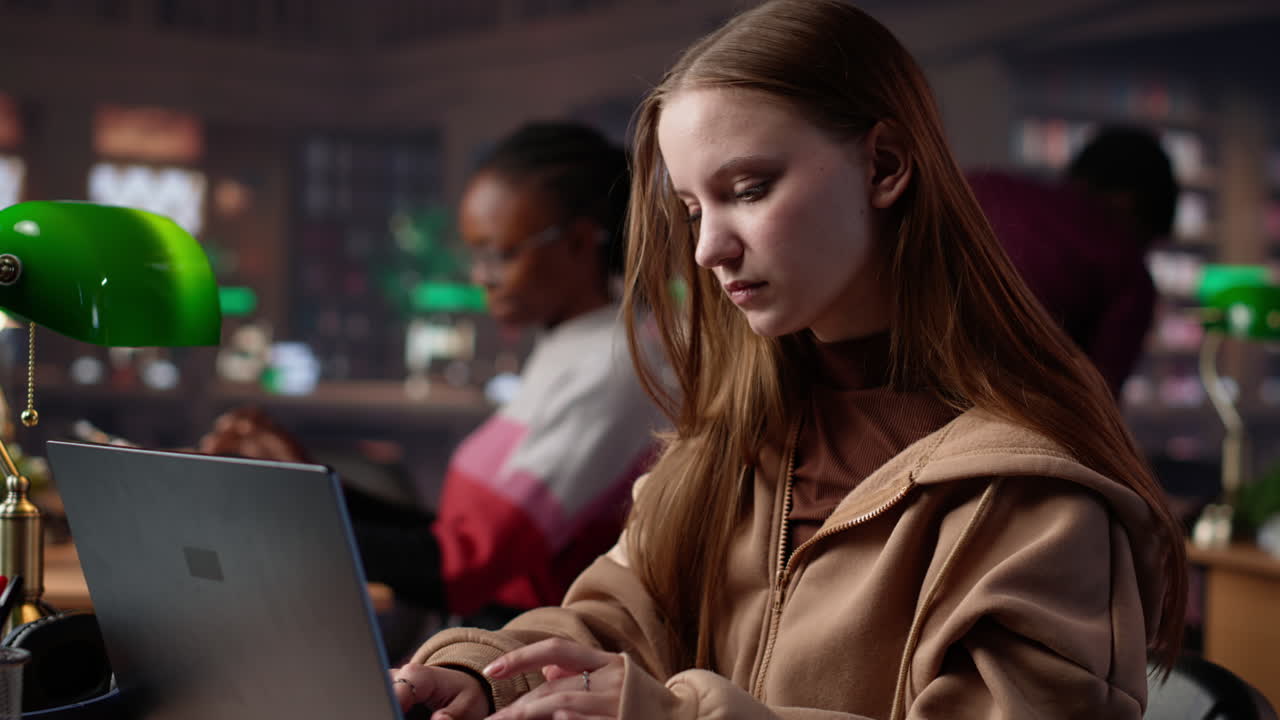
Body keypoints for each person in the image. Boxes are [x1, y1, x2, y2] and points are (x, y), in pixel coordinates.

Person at [388, 2, 1189, 719]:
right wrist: (486, 674)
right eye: (694, 207)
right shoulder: (729, 446)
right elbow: (612, 619)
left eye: (748, 188)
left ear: (884, 167)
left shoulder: (1034, 498)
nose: (707, 248)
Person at [201, 122, 665, 625]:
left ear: (579, 242)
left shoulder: (617, 364)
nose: (479, 275)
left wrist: (287, 506)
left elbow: (457, 569)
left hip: (535, 663)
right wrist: (307, 482)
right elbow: (457, 538)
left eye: (500, 253)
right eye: (475, 252)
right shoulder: (573, 344)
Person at [968, 126, 1180, 397]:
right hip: (1008, 414)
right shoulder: (1125, 267)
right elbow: (1099, 404)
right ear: (1131, 204)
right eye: (1145, 239)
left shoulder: (980, 189)